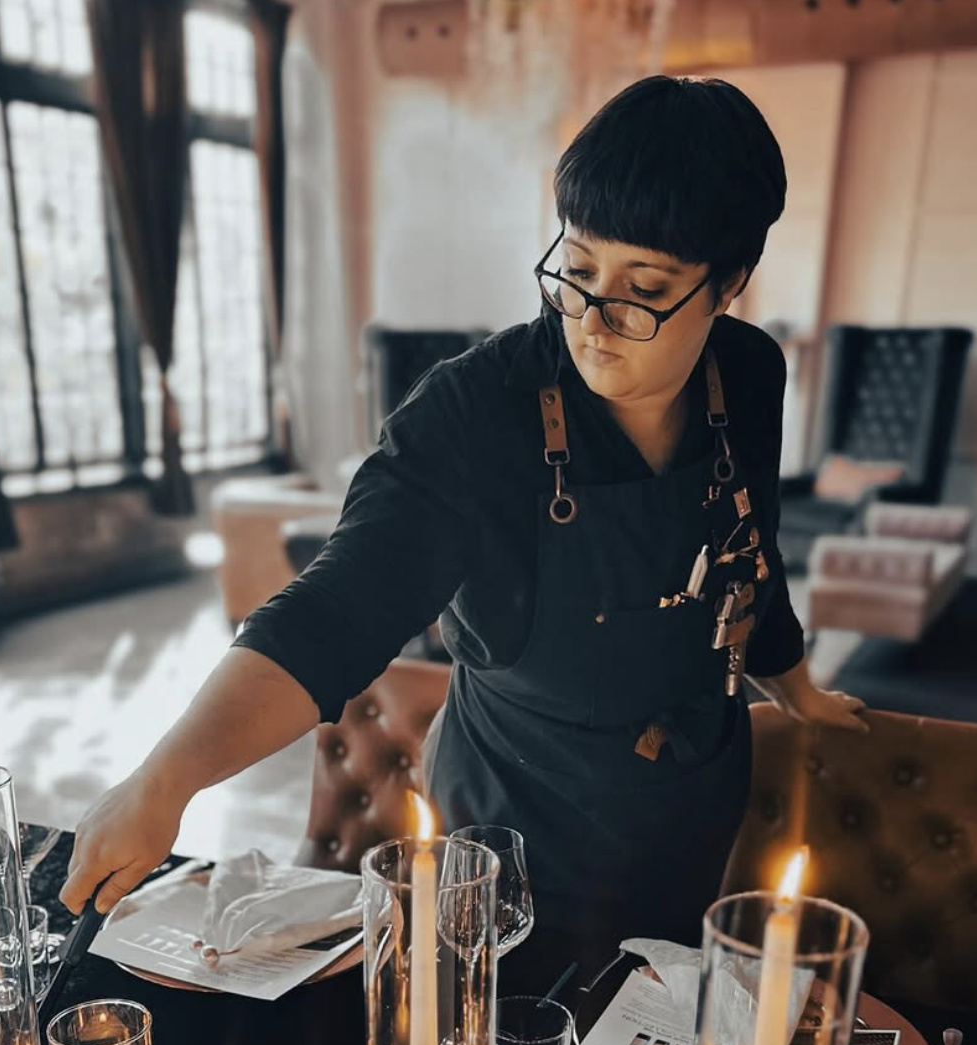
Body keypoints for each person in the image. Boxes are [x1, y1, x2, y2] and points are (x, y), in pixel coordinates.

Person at [62, 76, 864, 972]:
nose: (594, 320)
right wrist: (165, 779)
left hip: (688, 811)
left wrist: (794, 682)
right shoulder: (476, 410)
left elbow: (750, 550)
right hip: (514, 828)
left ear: (729, 285)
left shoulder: (747, 373)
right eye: (578, 270)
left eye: (645, 289)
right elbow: (338, 608)